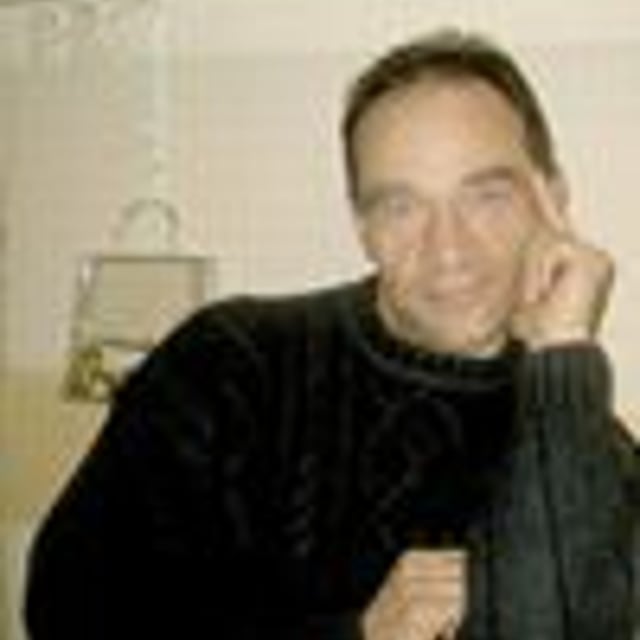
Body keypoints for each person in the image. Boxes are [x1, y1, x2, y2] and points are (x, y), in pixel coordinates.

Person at [24, 28, 639, 639]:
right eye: (400, 206)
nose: (448, 250)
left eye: (486, 197)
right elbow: (68, 609)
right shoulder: (229, 363)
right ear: (363, 226)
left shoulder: (579, 437)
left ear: (552, 200)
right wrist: (356, 634)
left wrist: (563, 351)